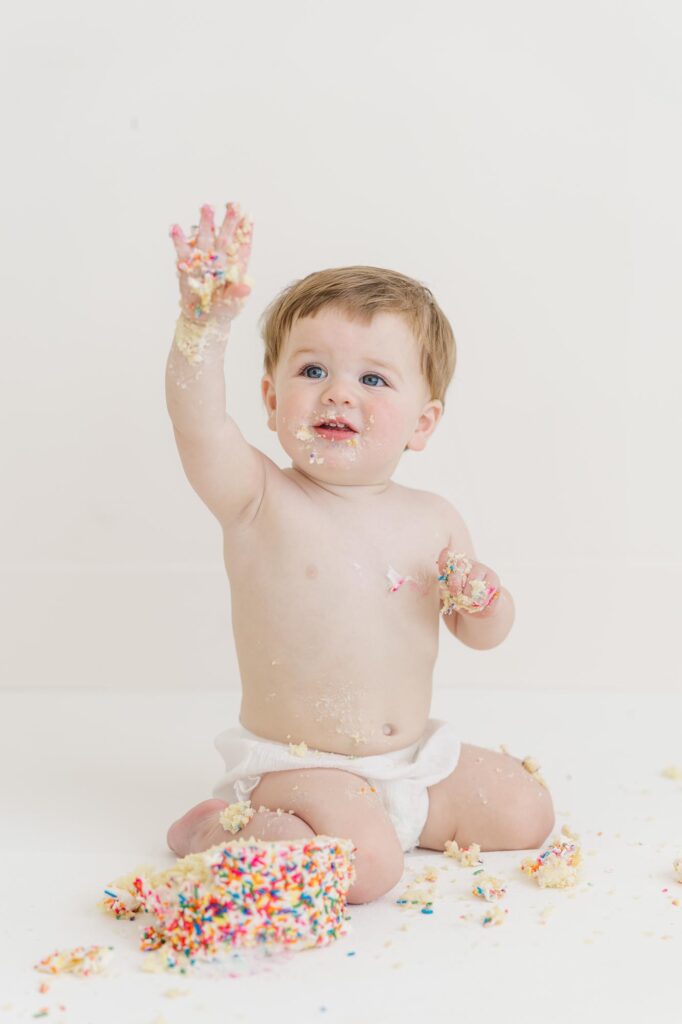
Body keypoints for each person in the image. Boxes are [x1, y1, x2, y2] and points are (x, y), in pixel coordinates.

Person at [164, 201, 554, 905]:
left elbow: (483, 634)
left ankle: (387, 823)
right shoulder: (259, 498)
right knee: (368, 871)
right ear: (270, 397)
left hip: (410, 765)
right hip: (302, 767)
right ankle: (220, 828)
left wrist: (486, 600)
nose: (339, 392)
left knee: (528, 811)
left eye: (373, 379)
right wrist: (203, 325)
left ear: (422, 423)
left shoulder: (434, 520)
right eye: (312, 370)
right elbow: (198, 424)